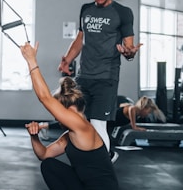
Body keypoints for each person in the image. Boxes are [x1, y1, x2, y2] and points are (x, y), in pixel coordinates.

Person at [58, 0, 143, 161]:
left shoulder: (123, 12)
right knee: (77, 121)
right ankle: (98, 158)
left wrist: (129, 53)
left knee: (98, 124)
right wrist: (67, 59)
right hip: (83, 76)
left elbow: (129, 47)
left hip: (106, 77)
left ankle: (104, 163)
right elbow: (80, 38)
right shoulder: (85, 9)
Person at [20, 42, 119, 190]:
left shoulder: (82, 126)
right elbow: (44, 154)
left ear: (69, 109)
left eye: (60, 112)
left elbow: (45, 98)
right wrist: (34, 136)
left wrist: (31, 60)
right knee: (49, 165)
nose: (58, 117)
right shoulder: (69, 136)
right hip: (85, 185)